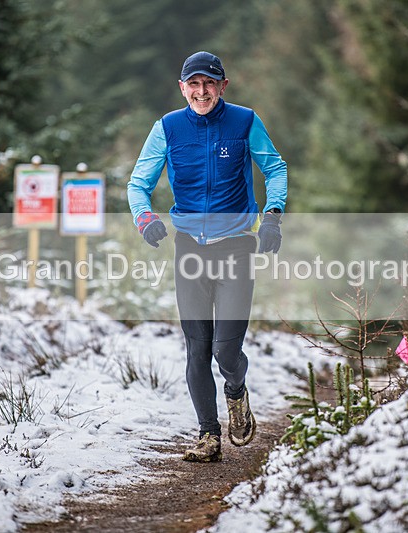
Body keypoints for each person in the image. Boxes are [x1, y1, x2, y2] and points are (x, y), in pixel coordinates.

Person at [127, 51, 287, 462]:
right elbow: (138, 184)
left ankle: (236, 390)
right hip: (190, 250)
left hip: (236, 246)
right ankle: (207, 434)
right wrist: (144, 219)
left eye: (209, 84)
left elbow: (276, 169)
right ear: (183, 88)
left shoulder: (245, 121)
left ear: (223, 86)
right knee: (197, 348)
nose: (202, 92)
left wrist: (272, 216)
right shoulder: (167, 128)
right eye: (193, 85)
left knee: (226, 351)